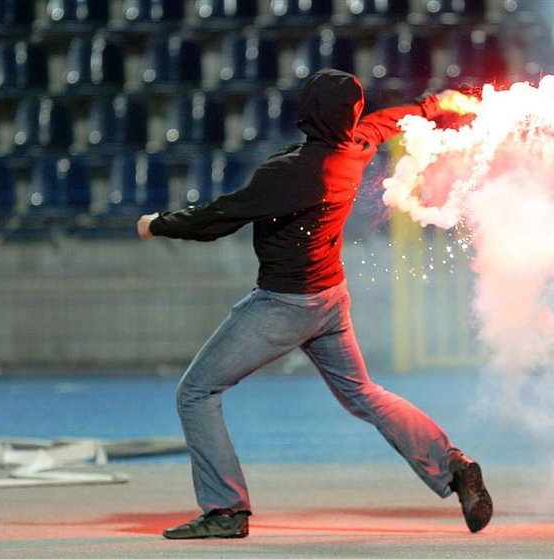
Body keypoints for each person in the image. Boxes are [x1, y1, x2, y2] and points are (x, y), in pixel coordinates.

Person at [136, 68, 492, 539]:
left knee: (196, 393)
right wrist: (433, 103)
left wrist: (158, 225)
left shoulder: (292, 173)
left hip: (285, 305)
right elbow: (388, 121)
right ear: (350, 116)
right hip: (329, 300)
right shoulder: (355, 147)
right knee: (364, 396)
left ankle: (225, 510)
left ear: (308, 111)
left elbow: (220, 217)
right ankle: (453, 466)